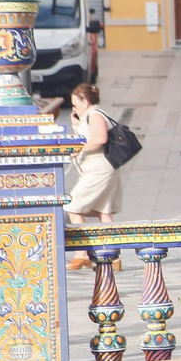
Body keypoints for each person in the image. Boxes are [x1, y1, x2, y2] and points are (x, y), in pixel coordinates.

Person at [64, 84, 121, 269]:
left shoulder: (95, 114)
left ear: (85, 101)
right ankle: (114, 257)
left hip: (99, 169)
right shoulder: (86, 116)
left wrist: (77, 149)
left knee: (73, 206)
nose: (74, 108)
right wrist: (76, 124)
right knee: (103, 211)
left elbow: (100, 139)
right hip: (96, 169)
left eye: (76, 104)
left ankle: (82, 253)